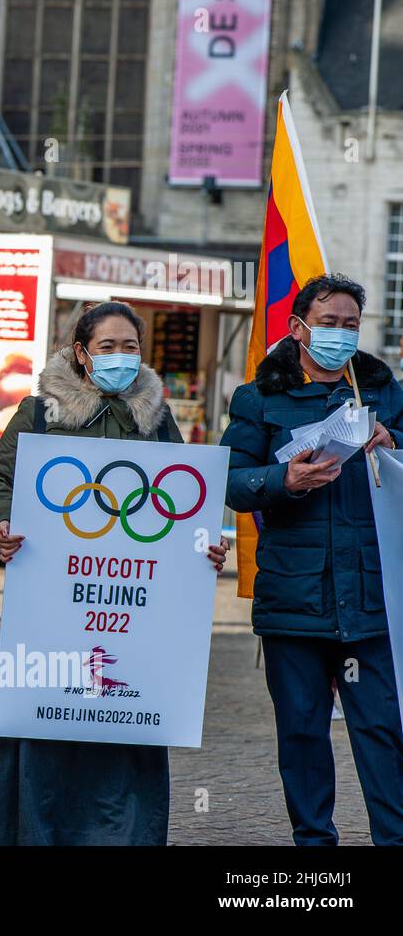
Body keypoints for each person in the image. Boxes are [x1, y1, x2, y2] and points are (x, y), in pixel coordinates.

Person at [0, 301, 228, 845]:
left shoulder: (156, 418)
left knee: (124, 718)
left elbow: (183, 498)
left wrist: (202, 546)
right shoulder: (41, 411)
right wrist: (2, 524)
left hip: (132, 621)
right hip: (54, 610)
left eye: (130, 346)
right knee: (47, 720)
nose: (119, 356)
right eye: (106, 347)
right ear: (82, 354)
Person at [221, 273, 403, 846]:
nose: (341, 334)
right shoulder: (259, 396)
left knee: (383, 732)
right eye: (328, 323)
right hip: (293, 601)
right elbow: (227, 479)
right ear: (299, 328)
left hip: (374, 601)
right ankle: (314, 848)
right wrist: (283, 479)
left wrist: (394, 443)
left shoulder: (383, 389)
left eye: (350, 325)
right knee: (300, 733)